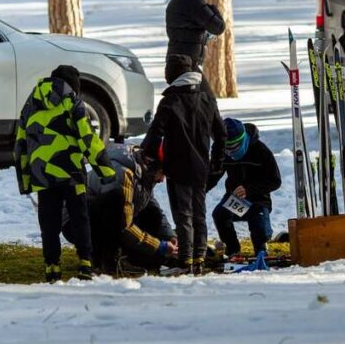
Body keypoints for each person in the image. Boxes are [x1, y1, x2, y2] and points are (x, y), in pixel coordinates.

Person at [14, 65, 116, 283]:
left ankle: (52, 266)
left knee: (48, 222)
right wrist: (106, 170)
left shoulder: (31, 104)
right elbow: (87, 138)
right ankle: (85, 263)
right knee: (79, 217)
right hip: (71, 173)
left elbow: (20, 144)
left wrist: (26, 180)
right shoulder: (73, 102)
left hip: (42, 174)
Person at [141, 54, 225, 275]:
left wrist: (152, 161)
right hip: (201, 167)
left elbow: (154, 135)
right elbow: (221, 134)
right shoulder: (207, 99)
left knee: (183, 215)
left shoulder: (170, 101)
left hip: (177, 168)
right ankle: (199, 258)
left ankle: (185, 259)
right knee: (199, 214)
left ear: (173, 73)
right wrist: (215, 162)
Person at [66, 143, 179, 276]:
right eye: (162, 173)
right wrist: (160, 246)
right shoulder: (123, 173)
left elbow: (152, 206)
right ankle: (106, 261)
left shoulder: (145, 172)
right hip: (75, 222)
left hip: (104, 218)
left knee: (151, 217)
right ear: (152, 165)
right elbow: (124, 225)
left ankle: (125, 255)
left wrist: (169, 236)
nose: (162, 180)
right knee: (117, 200)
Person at [208, 118, 281, 257]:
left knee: (260, 229)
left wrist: (249, 189)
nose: (230, 153)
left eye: (234, 147)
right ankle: (232, 248)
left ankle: (261, 248)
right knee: (220, 214)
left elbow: (275, 181)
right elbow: (213, 175)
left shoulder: (261, 151)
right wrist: (200, 191)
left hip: (258, 199)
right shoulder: (222, 152)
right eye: (227, 149)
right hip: (236, 199)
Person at [166, 0, 225, 70]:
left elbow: (186, 31)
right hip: (186, 64)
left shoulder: (177, 0)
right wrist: (213, 9)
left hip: (177, 62)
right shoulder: (193, 2)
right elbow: (218, 27)